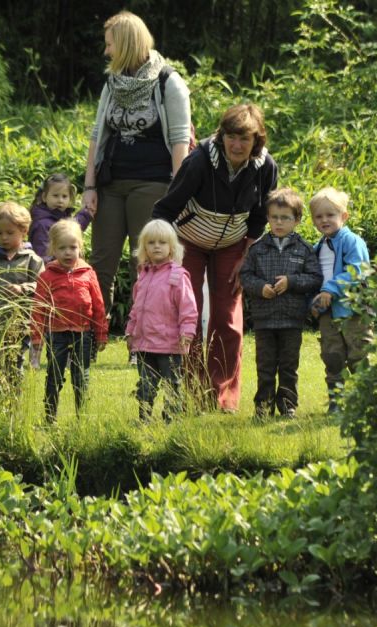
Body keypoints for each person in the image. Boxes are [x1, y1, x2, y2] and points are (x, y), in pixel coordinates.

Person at [151, 103, 278, 412]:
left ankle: (221, 398)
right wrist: (163, 256)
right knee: (188, 316)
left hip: (233, 245)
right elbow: (164, 210)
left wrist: (246, 254)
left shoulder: (266, 167)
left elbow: (261, 216)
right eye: (231, 136)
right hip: (188, 243)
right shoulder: (198, 163)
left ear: (256, 141)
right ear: (222, 137)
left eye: (244, 138)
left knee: (227, 317)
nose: (236, 145)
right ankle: (188, 390)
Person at [83, 10, 193, 316]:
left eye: (110, 44)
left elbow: (180, 141)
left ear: (127, 43)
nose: (106, 51)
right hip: (111, 183)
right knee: (101, 262)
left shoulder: (168, 81)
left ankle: (142, 339)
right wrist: (89, 186)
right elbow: (97, 136)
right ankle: (91, 336)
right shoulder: (112, 83)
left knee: (144, 263)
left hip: (153, 183)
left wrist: (178, 194)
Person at [239, 188, 322, 419]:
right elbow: (245, 276)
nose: (279, 222)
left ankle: (288, 406)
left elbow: (315, 278)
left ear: (297, 220)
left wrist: (292, 282)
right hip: (264, 319)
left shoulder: (304, 250)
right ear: (267, 218)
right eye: (274, 217)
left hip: (291, 320)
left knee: (288, 366)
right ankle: (263, 408)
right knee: (265, 367)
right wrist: (260, 288)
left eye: (285, 218)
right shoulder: (257, 249)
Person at [30, 219, 108, 423]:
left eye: (72, 247)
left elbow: (98, 305)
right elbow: (38, 309)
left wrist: (101, 334)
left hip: (83, 333)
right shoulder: (47, 276)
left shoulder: (88, 273)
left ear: (80, 247)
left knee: (81, 376)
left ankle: (82, 417)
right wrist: (36, 338)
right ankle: (49, 418)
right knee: (54, 376)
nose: (67, 253)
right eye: (61, 248)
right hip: (56, 334)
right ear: (53, 248)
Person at [125, 220, 198, 422]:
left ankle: (171, 419)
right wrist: (130, 333)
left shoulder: (177, 276)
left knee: (172, 383)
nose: (157, 246)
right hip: (145, 343)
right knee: (145, 384)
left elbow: (188, 310)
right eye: (151, 243)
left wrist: (187, 334)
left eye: (162, 242)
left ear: (172, 247)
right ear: (144, 247)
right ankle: (144, 417)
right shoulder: (143, 276)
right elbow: (136, 309)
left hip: (170, 344)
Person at [309, 187, 373, 414]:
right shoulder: (319, 246)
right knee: (332, 356)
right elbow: (315, 277)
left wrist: (329, 290)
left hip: (353, 309)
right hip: (328, 313)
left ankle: (366, 401)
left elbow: (358, 270)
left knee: (359, 355)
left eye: (330, 215)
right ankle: (336, 402)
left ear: (343, 216)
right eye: (319, 216)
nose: (324, 220)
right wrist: (314, 303)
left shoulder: (351, 241)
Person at [0, 202, 45, 387]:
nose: (4, 237)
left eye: (9, 233)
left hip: (19, 321)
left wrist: (23, 288)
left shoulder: (31, 259)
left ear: (24, 231)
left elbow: (44, 285)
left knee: (14, 360)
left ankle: (13, 399)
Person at [30, 173, 94, 262]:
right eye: (55, 196)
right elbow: (43, 256)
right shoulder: (42, 224)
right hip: (52, 271)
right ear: (44, 197)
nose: (60, 200)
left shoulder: (61, 216)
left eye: (64, 196)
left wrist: (86, 214)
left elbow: (71, 230)